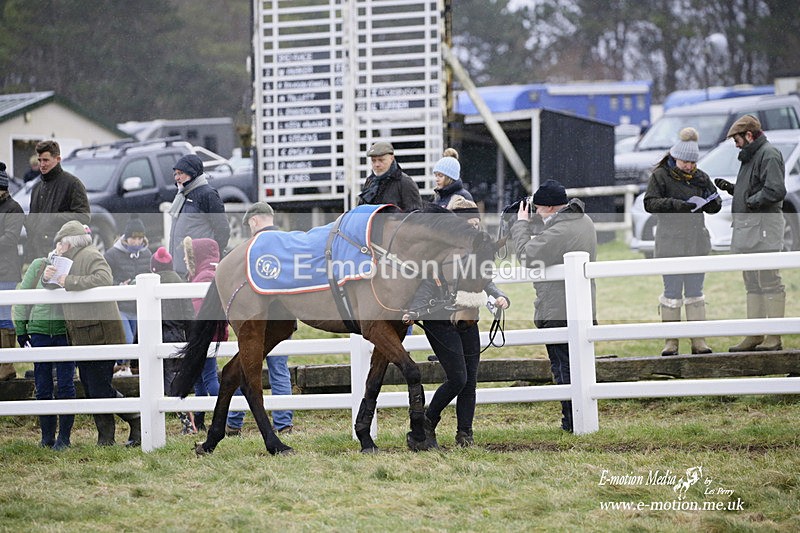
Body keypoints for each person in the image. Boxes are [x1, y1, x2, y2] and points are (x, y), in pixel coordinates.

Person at [403, 196, 509, 447]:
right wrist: (416, 309)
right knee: (458, 378)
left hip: (468, 317)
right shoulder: (440, 251)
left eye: (476, 223)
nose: (475, 228)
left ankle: (465, 434)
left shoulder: (476, 248)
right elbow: (427, 282)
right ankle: (428, 419)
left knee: (470, 379)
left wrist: (498, 295)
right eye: (469, 224)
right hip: (439, 320)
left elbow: (482, 278)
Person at [43, 220, 140, 447]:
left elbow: (104, 278)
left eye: (61, 241)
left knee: (99, 387)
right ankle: (110, 436)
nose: (58, 245)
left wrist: (71, 281)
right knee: (92, 387)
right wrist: (47, 277)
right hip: (85, 335)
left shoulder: (90, 255)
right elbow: (52, 285)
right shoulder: (65, 260)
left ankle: (133, 421)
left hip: (100, 334)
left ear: (71, 242)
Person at [510, 179, 597, 432]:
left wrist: (521, 225)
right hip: (579, 308)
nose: (535, 212)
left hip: (559, 309)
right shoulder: (583, 221)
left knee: (564, 369)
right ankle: (577, 419)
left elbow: (527, 255)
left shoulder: (560, 231)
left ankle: (572, 421)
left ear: (548, 208)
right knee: (577, 366)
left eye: (537, 209)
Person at [644, 127, 721, 356]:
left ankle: (699, 341)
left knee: (696, 292)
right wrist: (677, 205)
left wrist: (710, 201)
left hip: (696, 243)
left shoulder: (701, 177)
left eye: (692, 162)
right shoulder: (660, 176)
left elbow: (715, 205)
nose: (689, 166)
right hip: (671, 244)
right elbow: (650, 203)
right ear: (675, 157)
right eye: (685, 161)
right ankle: (671, 342)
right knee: (672, 292)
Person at [715, 114, 788, 352]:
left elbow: (775, 190)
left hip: (764, 229)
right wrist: (734, 191)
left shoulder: (769, 154)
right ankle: (755, 335)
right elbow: (754, 189)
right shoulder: (750, 157)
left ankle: (774, 338)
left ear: (748, 135)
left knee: (769, 281)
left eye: (736, 138)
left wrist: (749, 201)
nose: (734, 144)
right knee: (751, 283)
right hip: (749, 230)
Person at [231, 201, 295, 434]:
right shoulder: (288, 243)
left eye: (249, 224)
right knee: (279, 370)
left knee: (244, 368)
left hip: (254, 318)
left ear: (254, 221)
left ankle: (233, 422)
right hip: (283, 319)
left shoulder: (250, 248)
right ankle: (284, 423)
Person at [13, 249, 75, 449]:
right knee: (43, 385)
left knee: (66, 385)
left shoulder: (75, 266)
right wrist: (21, 330)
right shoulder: (39, 265)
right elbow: (24, 294)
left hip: (63, 332)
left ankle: (64, 438)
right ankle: (47, 437)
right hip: (39, 332)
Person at [182, 236, 244, 433]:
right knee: (200, 380)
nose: (185, 260)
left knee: (209, 378)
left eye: (188, 256)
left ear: (197, 256)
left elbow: (200, 313)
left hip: (207, 336)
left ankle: (237, 404)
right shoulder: (210, 274)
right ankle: (199, 421)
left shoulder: (204, 278)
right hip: (212, 334)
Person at [148, 246, 197, 434]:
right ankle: (186, 421)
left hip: (157, 334)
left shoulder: (152, 283)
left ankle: (187, 423)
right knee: (174, 380)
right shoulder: (179, 281)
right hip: (177, 335)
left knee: (163, 383)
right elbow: (189, 315)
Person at [23, 140, 90, 263]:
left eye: (46, 160)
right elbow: (33, 222)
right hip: (38, 254)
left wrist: (54, 217)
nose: (42, 164)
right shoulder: (37, 187)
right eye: (40, 160)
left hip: (62, 253)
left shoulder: (73, 184)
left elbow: (84, 216)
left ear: (58, 159)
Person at [167, 154, 230, 279]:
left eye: (180, 173)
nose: (177, 178)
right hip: (179, 268)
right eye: (175, 174)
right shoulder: (182, 195)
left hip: (198, 269)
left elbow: (223, 229)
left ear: (192, 173)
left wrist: (212, 255)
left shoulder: (208, 194)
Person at [104, 216, 152, 375]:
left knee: (138, 341)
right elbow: (105, 278)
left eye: (140, 238)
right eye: (133, 237)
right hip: (120, 306)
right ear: (126, 237)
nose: (137, 242)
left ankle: (130, 371)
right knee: (127, 339)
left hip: (139, 307)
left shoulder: (147, 255)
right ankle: (121, 368)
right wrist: (119, 285)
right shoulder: (111, 255)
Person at [0, 162, 24, 381]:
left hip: (6, 271)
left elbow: (11, 238)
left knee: (4, 317)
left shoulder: (13, 208)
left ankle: (6, 365)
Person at [357, 141, 422, 212]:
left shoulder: (405, 182)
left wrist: (395, 222)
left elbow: (416, 215)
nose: (377, 164)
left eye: (381, 160)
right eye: (373, 161)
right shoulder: (370, 181)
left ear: (392, 158)